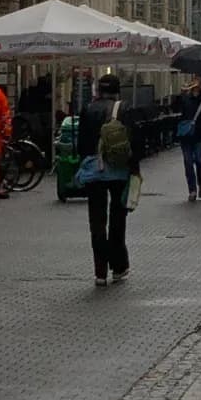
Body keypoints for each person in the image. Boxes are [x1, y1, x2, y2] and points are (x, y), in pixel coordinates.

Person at [77, 73, 141, 285]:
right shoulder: (124, 109)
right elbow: (134, 140)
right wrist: (135, 169)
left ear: (98, 90)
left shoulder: (87, 109)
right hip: (119, 170)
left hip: (94, 170)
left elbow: (81, 144)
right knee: (117, 219)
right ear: (117, 90)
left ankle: (100, 272)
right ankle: (119, 266)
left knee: (96, 221)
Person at [178, 78, 201, 200]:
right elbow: (176, 108)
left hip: (200, 136)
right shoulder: (185, 99)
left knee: (200, 161)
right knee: (188, 162)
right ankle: (192, 190)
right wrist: (182, 93)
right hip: (186, 136)